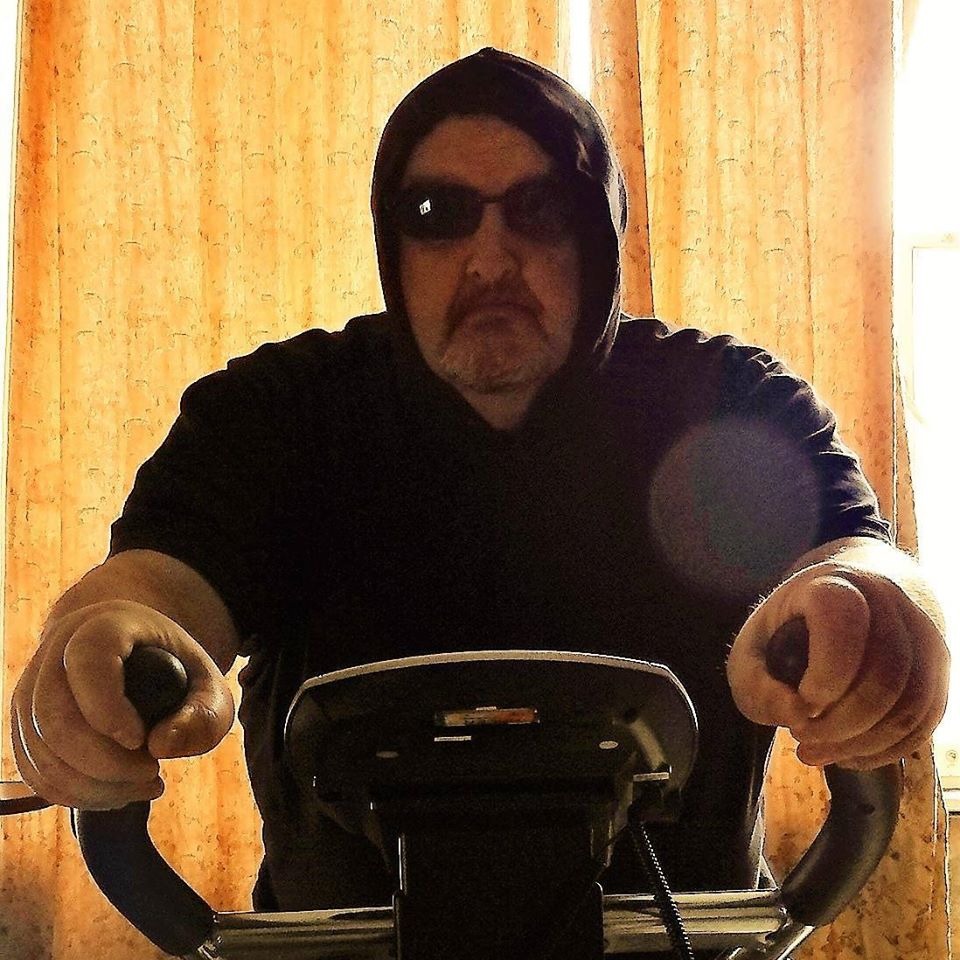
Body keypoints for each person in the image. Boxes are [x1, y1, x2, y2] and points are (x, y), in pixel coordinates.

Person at [9, 47, 948, 918]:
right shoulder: (277, 412)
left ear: (599, 235)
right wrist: (95, 651)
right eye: (437, 215)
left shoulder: (729, 400)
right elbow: (155, 589)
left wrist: (876, 616)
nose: (491, 259)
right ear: (392, 243)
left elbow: (855, 558)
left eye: (541, 211)